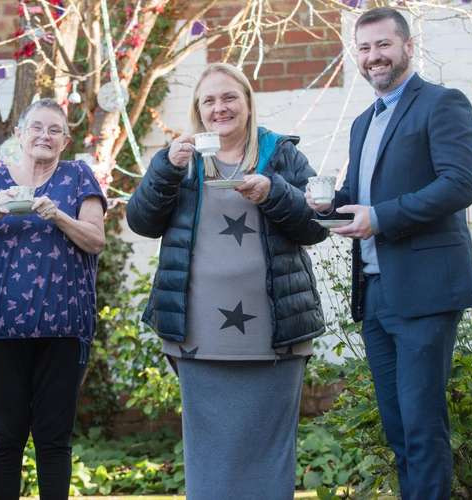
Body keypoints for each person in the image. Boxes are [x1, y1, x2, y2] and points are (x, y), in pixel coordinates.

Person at [126, 62, 328, 500]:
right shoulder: (181, 159)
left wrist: (273, 193)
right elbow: (141, 221)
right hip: (199, 336)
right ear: (198, 110)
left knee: (270, 450)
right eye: (210, 100)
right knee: (210, 453)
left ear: (248, 102)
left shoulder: (282, 154)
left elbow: (316, 225)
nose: (221, 108)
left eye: (230, 97)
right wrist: (163, 166)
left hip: (276, 335)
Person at [306, 7, 472, 499]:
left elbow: (458, 184)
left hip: (425, 293)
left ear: (408, 46)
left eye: (383, 45)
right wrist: (327, 205)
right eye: (363, 48)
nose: (373, 57)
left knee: (424, 428)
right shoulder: (364, 123)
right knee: (400, 431)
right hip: (376, 294)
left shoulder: (443, 104)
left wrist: (381, 218)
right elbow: (356, 196)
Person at [0, 98, 107, 500]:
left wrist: (58, 215)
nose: (45, 135)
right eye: (36, 127)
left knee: (54, 439)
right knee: (5, 438)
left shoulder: (77, 177)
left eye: (54, 130)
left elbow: (96, 240)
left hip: (64, 328)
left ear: (65, 140)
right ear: (19, 135)